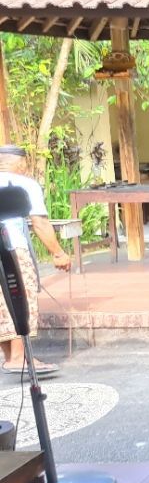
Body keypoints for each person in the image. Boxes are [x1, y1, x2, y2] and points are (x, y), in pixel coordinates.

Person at [0, 146, 71, 374]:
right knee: (23, 297)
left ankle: (10, 356)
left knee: (2, 304)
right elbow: (39, 222)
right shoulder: (24, 184)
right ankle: (19, 358)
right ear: (19, 163)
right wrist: (58, 253)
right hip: (12, 249)